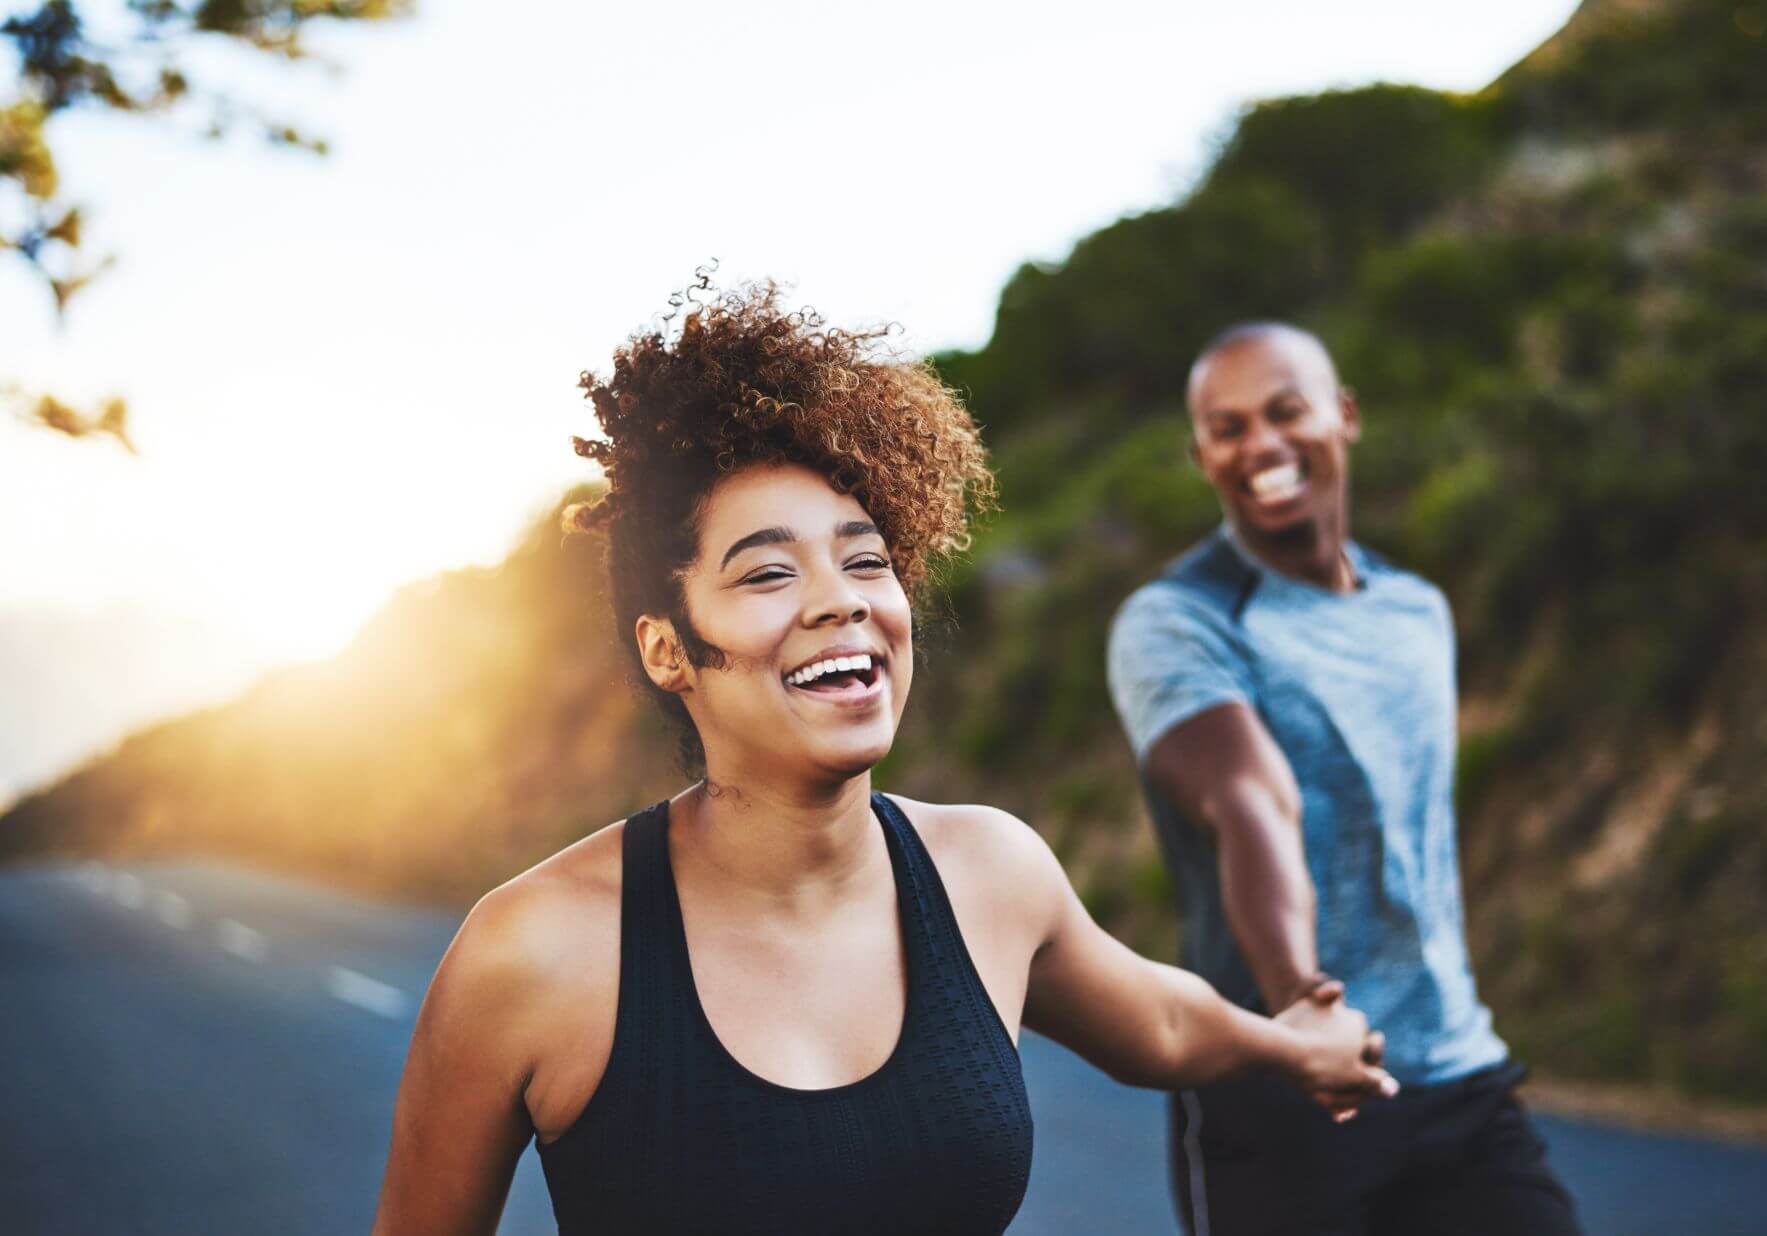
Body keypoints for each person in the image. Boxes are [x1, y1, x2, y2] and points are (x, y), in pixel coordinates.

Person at [371, 287, 1397, 1236]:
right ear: (668, 647)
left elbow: (1164, 1023)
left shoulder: (990, 872)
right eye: (768, 571)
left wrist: (1298, 1047)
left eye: (866, 560)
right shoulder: (533, 951)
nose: (840, 599)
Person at [1106, 322, 1583, 1236]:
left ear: (1345, 416)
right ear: (1203, 454)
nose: (1262, 445)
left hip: (1455, 1073)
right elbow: (1249, 799)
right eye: (1229, 426)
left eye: (1286, 411)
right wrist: (1302, 1004)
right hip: (1282, 1086)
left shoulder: (1418, 611)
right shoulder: (1174, 621)